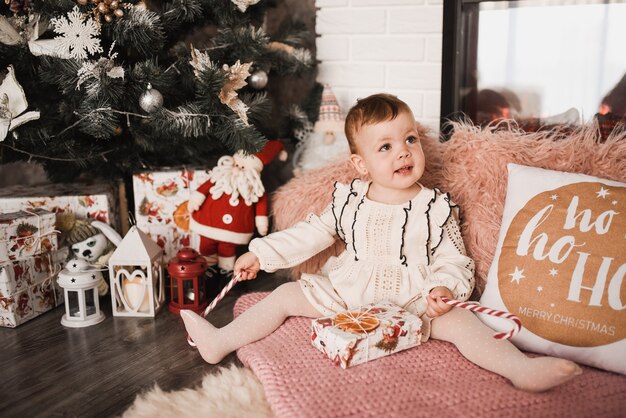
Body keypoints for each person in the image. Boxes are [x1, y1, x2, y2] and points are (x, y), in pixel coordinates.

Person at [181, 93, 582, 392]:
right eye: (385, 147)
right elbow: (311, 233)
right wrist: (260, 253)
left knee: (462, 322)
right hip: (348, 292)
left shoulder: (435, 206)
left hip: (412, 297)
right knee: (286, 294)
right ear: (361, 164)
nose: (403, 152)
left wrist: (443, 287)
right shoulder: (349, 199)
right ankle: (221, 340)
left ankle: (520, 370)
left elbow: (454, 258)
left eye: (410, 139)